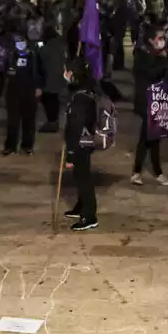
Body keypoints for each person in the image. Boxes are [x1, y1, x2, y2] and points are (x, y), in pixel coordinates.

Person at [131, 25, 168, 186]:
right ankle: (138, 171)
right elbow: (151, 73)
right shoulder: (142, 55)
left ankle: (156, 171)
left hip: (159, 100)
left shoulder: (159, 55)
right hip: (146, 101)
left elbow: (167, 74)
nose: (163, 41)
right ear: (151, 40)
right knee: (147, 136)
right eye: (160, 38)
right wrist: (162, 60)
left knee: (155, 136)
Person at [63, 57, 100, 231]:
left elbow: (75, 127)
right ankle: (81, 206)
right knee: (80, 176)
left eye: (67, 71)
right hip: (85, 141)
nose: (65, 74)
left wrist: (70, 153)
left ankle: (89, 215)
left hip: (80, 143)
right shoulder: (86, 90)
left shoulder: (80, 98)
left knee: (83, 178)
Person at [2, 31, 45, 155]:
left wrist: (39, 87)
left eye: (21, 41)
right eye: (17, 42)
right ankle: (10, 146)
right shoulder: (10, 56)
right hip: (13, 92)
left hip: (29, 91)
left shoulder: (34, 56)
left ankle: (27, 145)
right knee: (12, 121)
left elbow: (41, 72)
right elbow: (4, 71)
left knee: (29, 120)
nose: (20, 44)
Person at [37, 22, 66, 132]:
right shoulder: (61, 46)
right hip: (59, 77)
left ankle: (52, 122)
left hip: (49, 78)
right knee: (54, 99)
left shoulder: (45, 48)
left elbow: (40, 60)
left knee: (49, 100)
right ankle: (54, 121)